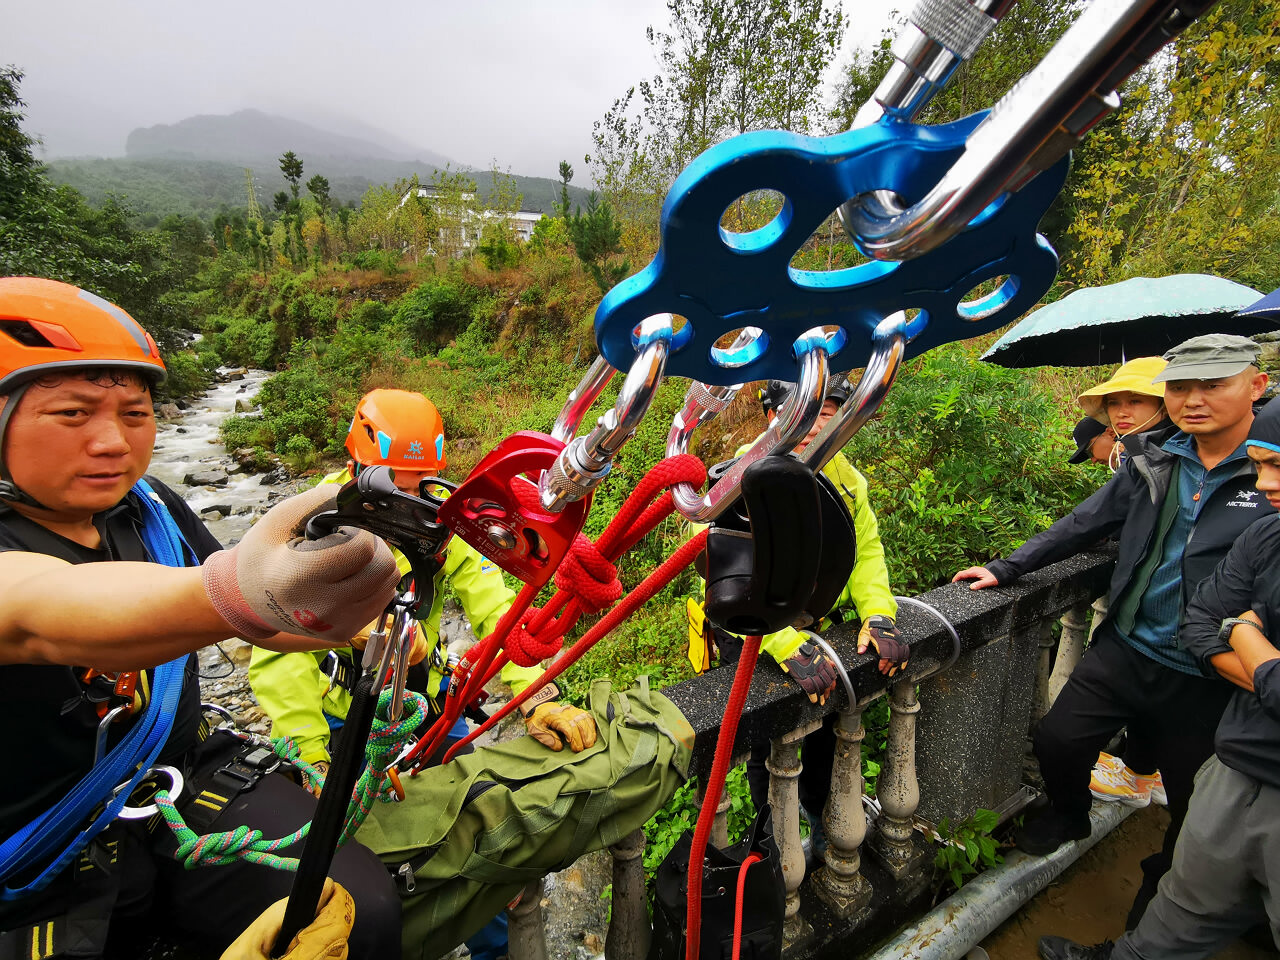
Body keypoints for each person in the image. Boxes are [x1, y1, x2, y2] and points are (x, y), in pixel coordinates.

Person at [0, 277, 404, 959]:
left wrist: (355, 624)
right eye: (72, 413)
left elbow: (252, 616)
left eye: (134, 413)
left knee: (361, 911)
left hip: (177, 778)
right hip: (40, 840)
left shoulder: (149, 508)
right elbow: (39, 609)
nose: (112, 443)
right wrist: (236, 589)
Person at [952, 333, 1273, 927]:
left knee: (1191, 813)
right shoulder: (1156, 455)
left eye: (1213, 385)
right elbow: (1089, 520)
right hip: (1127, 643)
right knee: (1058, 740)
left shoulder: (1270, 467)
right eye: (1180, 387)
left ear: (1255, 386)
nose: (1193, 400)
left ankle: (1143, 930)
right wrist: (1008, 565)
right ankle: (1069, 812)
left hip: (1210, 674)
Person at [248, 388, 597, 780]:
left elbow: (498, 611)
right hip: (337, 716)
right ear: (355, 471)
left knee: (462, 793)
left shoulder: (445, 517)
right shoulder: (309, 525)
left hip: (422, 699)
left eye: (421, 486)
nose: (408, 505)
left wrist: (538, 700)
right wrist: (311, 756)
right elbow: (277, 649)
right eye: (392, 488)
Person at [1037, 396, 1280, 960]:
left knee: (1186, 824)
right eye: (1263, 465)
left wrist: (1245, 639)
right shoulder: (1166, 467)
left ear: (1254, 384)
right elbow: (1202, 621)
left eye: (1275, 466)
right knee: (1194, 885)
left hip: (1207, 697)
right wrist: (1006, 567)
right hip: (1153, 665)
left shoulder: (1253, 508)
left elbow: (1223, 629)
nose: (1268, 483)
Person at [694, 375, 908, 823]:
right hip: (750, 628)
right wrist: (783, 642)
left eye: (827, 414)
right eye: (803, 413)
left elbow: (864, 552)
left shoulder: (846, 479)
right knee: (767, 739)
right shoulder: (737, 478)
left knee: (827, 726)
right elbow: (724, 577)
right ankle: (770, 830)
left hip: (815, 621)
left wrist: (879, 614)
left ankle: (821, 814)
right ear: (774, 418)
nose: (815, 426)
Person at [1075, 356, 1170, 472]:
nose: (1121, 413)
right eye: (1113, 403)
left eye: (1135, 401)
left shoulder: (1182, 453)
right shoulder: (1136, 454)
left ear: (1165, 405)